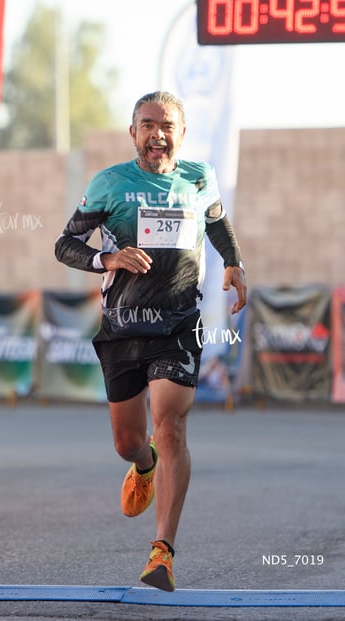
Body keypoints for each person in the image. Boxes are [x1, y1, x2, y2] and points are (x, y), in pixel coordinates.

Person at [55, 91, 247, 592]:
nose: (156, 134)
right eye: (146, 124)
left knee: (172, 425)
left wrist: (233, 262)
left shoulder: (199, 177)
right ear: (133, 132)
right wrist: (108, 259)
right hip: (123, 327)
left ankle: (162, 553)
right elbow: (65, 244)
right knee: (128, 442)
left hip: (178, 325)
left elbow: (216, 220)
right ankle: (143, 464)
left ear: (181, 133)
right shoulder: (110, 184)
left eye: (166, 125)